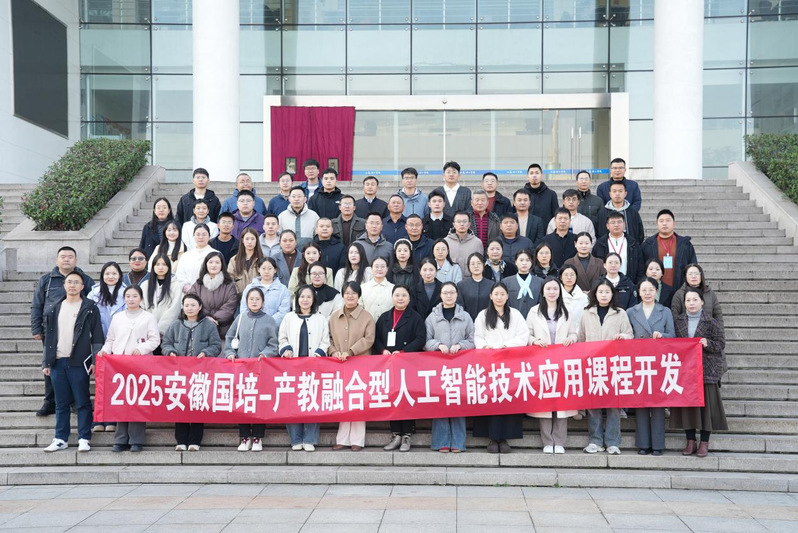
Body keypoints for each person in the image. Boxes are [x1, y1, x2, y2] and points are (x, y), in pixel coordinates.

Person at [41, 272, 104, 453]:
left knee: (82, 401)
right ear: (64, 285)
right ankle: (61, 438)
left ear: (83, 286)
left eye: (76, 282)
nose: (72, 285)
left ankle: (84, 437)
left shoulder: (90, 307)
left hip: (79, 361)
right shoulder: (55, 307)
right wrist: (46, 362)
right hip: (57, 361)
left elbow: (97, 336)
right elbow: (49, 337)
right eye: (69, 282)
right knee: (61, 403)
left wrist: (95, 360)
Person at [98, 285, 160, 453]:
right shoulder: (118, 317)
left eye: (134, 296)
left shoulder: (148, 317)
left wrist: (141, 349)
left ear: (141, 299)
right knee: (121, 401)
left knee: (137, 402)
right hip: (119, 365)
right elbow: (110, 339)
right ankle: (120, 439)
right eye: (128, 296)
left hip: (140, 365)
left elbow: (155, 340)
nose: (131, 299)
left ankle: (136, 440)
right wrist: (105, 350)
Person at [473, 282, 530, 453]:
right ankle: (492, 438)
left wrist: (506, 346)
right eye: (496, 294)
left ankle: (505, 438)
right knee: (491, 400)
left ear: (507, 296)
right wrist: (486, 347)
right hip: (489, 365)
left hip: (510, 364)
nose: (499, 297)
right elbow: (477, 336)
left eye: (502, 294)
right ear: (491, 296)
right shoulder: (483, 315)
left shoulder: (516, 314)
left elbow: (524, 336)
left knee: (508, 400)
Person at [670, 288, 728, 458]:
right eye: (688, 300)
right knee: (687, 407)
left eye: (695, 300)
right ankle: (690, 441)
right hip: (685, 371)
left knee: (706, 408)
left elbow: (721, 344)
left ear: (702, 302)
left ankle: (704, 442)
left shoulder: (711, 322)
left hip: (706, 370)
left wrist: (708, 343)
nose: (691, 303)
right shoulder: (678, 321)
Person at [578, 279, 633, 455]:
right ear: (595, 294)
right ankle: (595, 440)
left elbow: (630, 335)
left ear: (612, 294)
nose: (604, 295)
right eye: (600, 292)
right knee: (593, 405)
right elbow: (581, 338)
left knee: (613, 405)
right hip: (592, 364)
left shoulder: (620, 313)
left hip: (614, 365)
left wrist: (623, 337)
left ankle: (613, 442)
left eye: (607, 292)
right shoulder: (587, 313)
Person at [162, 293, 222, 452]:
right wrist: (170, 352)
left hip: (200, 373)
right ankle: (181, 440)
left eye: (193, 305)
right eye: (187, 305)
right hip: (180, 373)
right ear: (182, 307)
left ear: (200, 307)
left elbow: (216, 345)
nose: (189, 308)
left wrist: (206, 352)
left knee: (197, 405)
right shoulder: (176, 324)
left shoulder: (208, 325)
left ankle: (195, 441)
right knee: (180, 404)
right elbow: (166, 343)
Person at [526, 277, 578, 454]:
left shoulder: (567, 310)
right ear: (542, 291)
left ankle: (559, 441)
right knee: (545, 403)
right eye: (548, 289)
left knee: (561, 404)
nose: (552, 292)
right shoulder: (534, 311)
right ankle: (547, 441)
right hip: (542, 362)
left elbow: (574, 333)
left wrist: (571, 338)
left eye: (555, 289)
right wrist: (535, 341)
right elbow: (527, 334)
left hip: (562, 362)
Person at [224, 286, 279, 452]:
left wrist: (265, 353)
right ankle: (244, 437)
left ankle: (257, 437)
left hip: (261, 369)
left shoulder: (269, 320)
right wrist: (230, 353)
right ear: (246, 301)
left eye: (257, 299)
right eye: (251, 299)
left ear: (263, 301)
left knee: (259, 403)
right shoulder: (240, 318)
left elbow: (274, 343)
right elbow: (230, 338)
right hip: (241, 369)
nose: (254, 302)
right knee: (243, 402)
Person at [627, 277, 676, 456]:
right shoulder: (630, 312)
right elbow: (627, 335)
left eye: (651, 290)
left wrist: (662, 336)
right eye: (644, 290)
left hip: (658, 362)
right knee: (640, 403)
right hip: (638, 362)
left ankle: (657, 444)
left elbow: (673, 335)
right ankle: (643, 443)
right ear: (638, 292)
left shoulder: (665, 311)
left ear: (657, 291)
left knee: (657, 404)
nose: (647, 293)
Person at [278, 285, 331, 452]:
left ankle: (310, 439)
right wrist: (286, 349)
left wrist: (318, 353)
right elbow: (282, 338)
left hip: (313, 367)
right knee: (292, 402)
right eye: (302, 296)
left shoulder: (320, 318)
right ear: (297, 299)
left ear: (314, 300)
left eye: (309, 297)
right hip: (292, 367)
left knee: (312, 400)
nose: (305, 300)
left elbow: (325, 341)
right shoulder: (289, 317)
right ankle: (295, 439)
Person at [425, 282, 475, 453]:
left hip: (460, 366)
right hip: (439, 367)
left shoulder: (465, 316)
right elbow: (426, 340)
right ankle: (442, 442)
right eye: (445, 292)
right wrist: (437, 345)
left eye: (452, 292)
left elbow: (472, 339)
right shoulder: (432, 317)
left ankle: (458, 443)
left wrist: (461, 345)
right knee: (441, 402)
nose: (448, 296)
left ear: (457, 294)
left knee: (458, 402)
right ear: (440, 295)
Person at [376, 285, 426, 452]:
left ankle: (406, 436)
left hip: (408, 365)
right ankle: (396, 434)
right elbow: (376, 339)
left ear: (409, 298)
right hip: (389, 364)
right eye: (397, 295)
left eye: (404, 295)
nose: (400, 298)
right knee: (393, 397)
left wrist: (404, 352)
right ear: (392, 297)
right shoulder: (384, 317)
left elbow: (421, 338)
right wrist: (383, 350)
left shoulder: (415, 317)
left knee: (406, 397)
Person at [329, 282, 376, 452]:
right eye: (347, 293)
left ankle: (357, 439)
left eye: (354, 293)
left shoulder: (367, 317)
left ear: (359, 296)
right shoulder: (334, 317)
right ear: (342, 295)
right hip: (340, 364)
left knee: (357, 400)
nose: (350, 296)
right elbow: (329, 339)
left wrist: (351, 351)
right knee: (343, 400)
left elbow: (369, 339)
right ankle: (342, 439)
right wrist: (334, 352)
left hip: (360, 364)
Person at [641, 209, 698, 291]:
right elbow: (642, 269)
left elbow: (693, 266)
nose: (664, 223)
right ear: (657, 224)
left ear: (674, 224)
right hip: (655, 290)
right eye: (661, 221)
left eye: (668, 220)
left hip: (680, 289)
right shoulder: (648, 245)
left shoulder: (685, 245)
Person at [188, 252, 239, 338]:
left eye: (217, 262)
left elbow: (230, 305)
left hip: (224, 329)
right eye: (210, 262)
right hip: (200, 326)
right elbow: (192, 302)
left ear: (222, 265)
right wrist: (205, 317)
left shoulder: (229, 285)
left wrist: (214, 319)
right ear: (206, 264)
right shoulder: (198, 284)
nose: (213, 265)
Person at [141, 254, 186, 342]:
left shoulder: (176, 285)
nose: (160, 267)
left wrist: (160, 329)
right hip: (148, 331)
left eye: (164, 264)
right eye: (157, 264)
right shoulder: (145, 285)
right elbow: (142, 307)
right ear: (153, 267)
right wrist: (151, 329)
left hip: (168, 332)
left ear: (169, 267)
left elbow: (175, 309)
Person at [592, 211, 644, 283]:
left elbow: (640, 267)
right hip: (605, 284)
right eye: (613, 222)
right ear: (607, 226)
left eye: (619, 222)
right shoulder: (600, 244)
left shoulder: (633, 244)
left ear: (624, 224)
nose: (616, 225)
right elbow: (595, 266)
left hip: (628, 283)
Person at [238, 257, 291, 326]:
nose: (266, 271)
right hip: (252, 326)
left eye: (270, 268)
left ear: (275, 270)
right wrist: (254, 324)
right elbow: (244, 309)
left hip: (274, 328)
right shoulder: (250, 288)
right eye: (263, 268)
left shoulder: (282, 289)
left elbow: (284, 311)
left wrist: (267, 324)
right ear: (258, 269)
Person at [671, 263, 724, 328]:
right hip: (685, 332)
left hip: (708, 331)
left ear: (701, 276)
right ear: (685, 277)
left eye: (696, 273)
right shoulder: (679, 294)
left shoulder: (710, 293)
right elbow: (674, 316)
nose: (693, 276)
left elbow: (718, 315)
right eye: (690, 274)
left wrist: (720, 331)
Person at [596, 181, 645, 245]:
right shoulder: (602, 213)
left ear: (625, 193)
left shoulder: (632, 212)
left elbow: (640, 232)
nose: (617, 194)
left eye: (620, 191)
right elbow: (598, 232)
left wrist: (634, 245)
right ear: (610, 194)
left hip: (630, 247)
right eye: (614, 191)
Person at [88, 261, 126, 336]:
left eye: (114, 274)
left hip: (121, 334)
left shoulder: (127, 292)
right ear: (102, 275)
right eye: (107, 274)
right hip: (98, 334)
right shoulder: (93, 293)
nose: (110, 277)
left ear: (120, 275)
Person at [445, 211, 484, 279]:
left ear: (469, 224)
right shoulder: (446, 242)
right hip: (450, 280)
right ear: (453, 224)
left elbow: (480, 264)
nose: (462, 224)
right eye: (459, 221)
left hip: (470, 280)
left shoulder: (477, 242)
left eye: (464, 221)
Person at [504, 249, 542, 317]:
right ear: (516, 262)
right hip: (513, 319)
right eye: (521, 260)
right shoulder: (506, 282)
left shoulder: (540, 282)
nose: (524, 263)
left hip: (535, 319)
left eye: (527, 260)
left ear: (531, 262)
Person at [227, 228, 264, 294]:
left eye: (252, 239)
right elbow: (230, 279)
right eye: (247, 239)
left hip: (258, 296)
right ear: (242, 240)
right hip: (238, 297)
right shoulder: (234, 260)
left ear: (256, 240)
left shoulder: (263, 259)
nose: (250, 242)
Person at [457, 253, 492, 321]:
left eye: (479, 263)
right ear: (468, 266)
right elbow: (459, 306)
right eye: (472, 264)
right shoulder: (461, 285)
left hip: (487, 321)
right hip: (467, 322)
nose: (476, 266)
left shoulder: (491, 285)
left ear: (483, 265)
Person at [360, 256, 394, 321]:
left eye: (383, 266)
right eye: (376, 266)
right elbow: (359, 308)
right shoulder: (363, 288)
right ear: (371, 269)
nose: (379, 269)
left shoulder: (393, 288)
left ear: (387, 269)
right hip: (368, 324)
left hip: (388, 325)